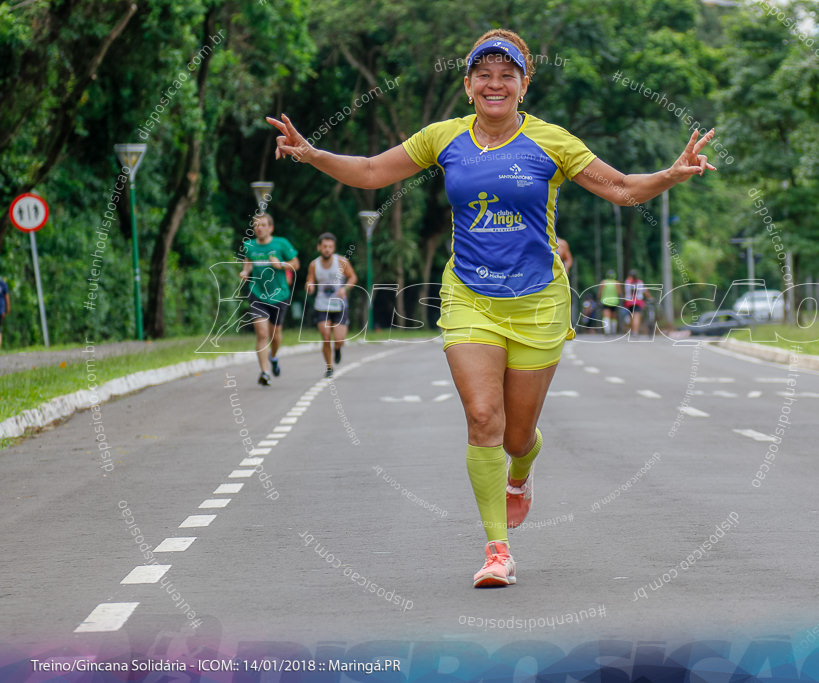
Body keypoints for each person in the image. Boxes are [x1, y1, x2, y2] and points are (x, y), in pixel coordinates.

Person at [267, 28, 715, 587]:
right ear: (468, 84)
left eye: (508, 75)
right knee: (483, 419)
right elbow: (371, 172)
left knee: (516, 437)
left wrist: (670, 175)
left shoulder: (552, 142)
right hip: (469, 297)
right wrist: (311, 154)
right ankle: (496, 549)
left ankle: (520, 472)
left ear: (523, 86)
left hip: (538, 303)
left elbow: (622, 188)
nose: (495, 83)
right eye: (485, 74)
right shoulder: (443, 138)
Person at [239, 214, 300, 386]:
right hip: (257, 293)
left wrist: (281, 265)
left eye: (263, 225)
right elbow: (248, 262)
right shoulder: (249, 245)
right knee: (262, 333)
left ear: (270, 228)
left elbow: (296, 263)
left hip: (279, 294)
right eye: (256, 225)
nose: (259, 228)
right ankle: (264, 372)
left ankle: (273, 357)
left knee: (275, 334)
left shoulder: (281, 244)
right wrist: (245, 272)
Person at [305, 232, 357, 378]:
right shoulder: (314, 265)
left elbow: (353, 277)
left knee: (339, 339)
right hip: (322, 305)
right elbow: (309, 280)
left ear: (333, 248)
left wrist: (345, 288)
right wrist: (309, 286)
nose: (327, 249)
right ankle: (329, 366)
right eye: (325, 246)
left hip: (340, 305)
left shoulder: (341, 262)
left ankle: (338, 348)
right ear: (319, 247)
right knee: (326, 336)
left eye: (330, 247)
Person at [623, 269, 650, 335]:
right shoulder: (640, 282)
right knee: (636, 316)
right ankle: (635, 331)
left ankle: (632, 330)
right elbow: (645, 291)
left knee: (631, 316)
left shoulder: (627, 282)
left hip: (629, 302)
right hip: (638, 301)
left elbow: (625, 292)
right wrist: (650, 298)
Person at [599, 271, 622, 335]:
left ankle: (607, 330)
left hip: (605, 301)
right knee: (614, 317)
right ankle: (613, 331)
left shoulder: (603, 283)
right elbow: (619, 293)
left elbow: (600, 292)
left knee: (606, 316)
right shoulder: (617, 283)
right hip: (614, 301)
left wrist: (598, 298)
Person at [0, 275, 9, 350]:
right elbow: (7, 297)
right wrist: (8, 308)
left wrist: (8, 308)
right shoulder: (3, 283)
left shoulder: (3, 283)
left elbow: (6, 296)